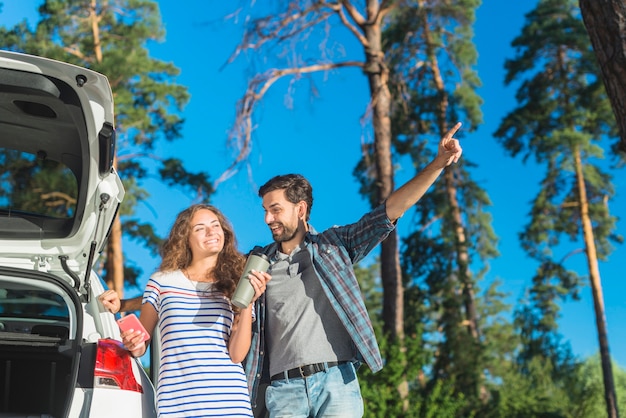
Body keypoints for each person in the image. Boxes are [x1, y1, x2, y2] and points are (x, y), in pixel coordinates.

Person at [244, 122, 463, 417]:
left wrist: (437, 164)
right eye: (265, 211)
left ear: (300, 209)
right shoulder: (257, 264)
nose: (268, 218)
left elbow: (389, 211)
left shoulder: (333, 246)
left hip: (337, 382)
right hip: (284, 392)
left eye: (276, 209)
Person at [100, 204, 271, 417]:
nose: (211, 232)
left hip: (229, 403)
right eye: (200, 228)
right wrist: (133, 342)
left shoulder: (235, 287)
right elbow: (140, 345)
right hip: (177, 406)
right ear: (185, 238)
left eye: (215, 225)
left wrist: (249, 304)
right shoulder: (161, 282)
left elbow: (236, 355)